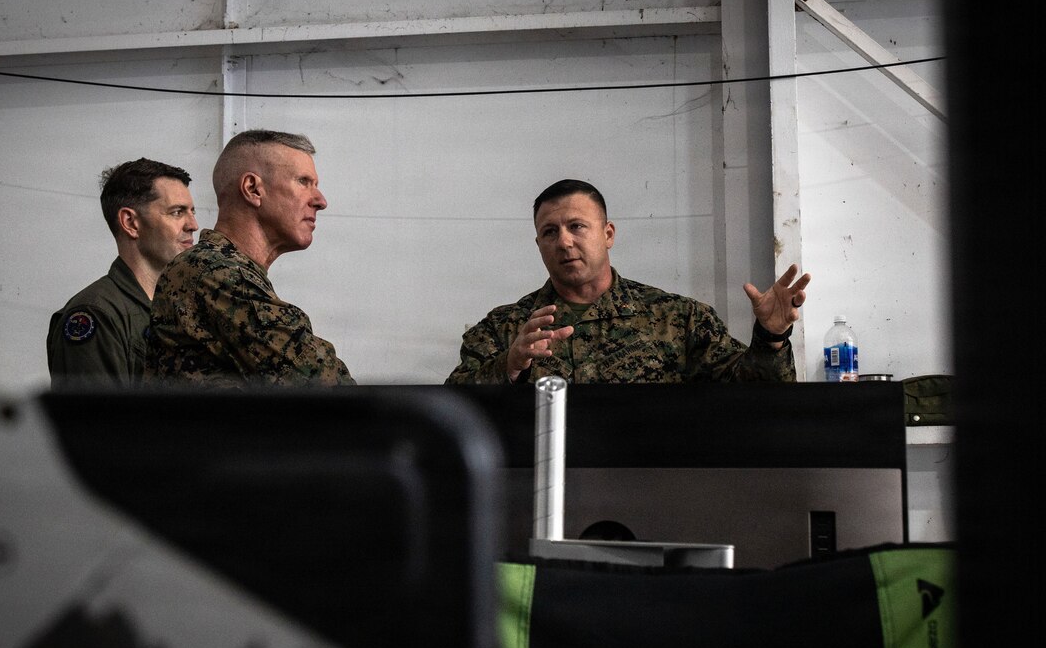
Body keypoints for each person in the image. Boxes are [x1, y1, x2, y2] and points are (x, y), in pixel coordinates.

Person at [445, 179, 811, 384]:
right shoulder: (504, 328)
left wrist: (771, 338)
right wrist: (508, 366)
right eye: (549, 232)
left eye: (577, 227)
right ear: (539, 243)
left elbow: (754, 399)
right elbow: (454, 417)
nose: (564, 241)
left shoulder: (678, 319)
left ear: (608, 234)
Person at [144, 129, 354, 387]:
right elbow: (324, 382)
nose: (320, 201)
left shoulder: (228, 272)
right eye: (303, 182)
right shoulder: (212, 272)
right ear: (253, 189)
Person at [46, 158, 197, 387]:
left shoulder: (182, 306)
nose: (193, 224)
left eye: (192, 212)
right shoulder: (97, 314)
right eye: (177, 212)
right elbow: (97, 420)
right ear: (130, 223)